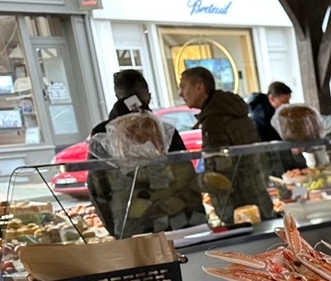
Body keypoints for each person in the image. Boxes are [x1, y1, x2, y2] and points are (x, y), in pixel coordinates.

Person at [88, 69, 201, 236]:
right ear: (148, 96)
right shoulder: (164, 130)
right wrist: (195, 218)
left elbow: (97, 188)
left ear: (117, 96)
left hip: (132, 227)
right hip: (179, 223)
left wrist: (115, 230)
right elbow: (187, 178)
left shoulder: (102, 134)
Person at [179, 65, 272, 222]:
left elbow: (220, 177)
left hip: (239, 208)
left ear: (199, 87)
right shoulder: (234, 111)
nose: (181, 93)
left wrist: (192, 182)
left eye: (183, 87)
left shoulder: (214, 120)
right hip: (257, 197)